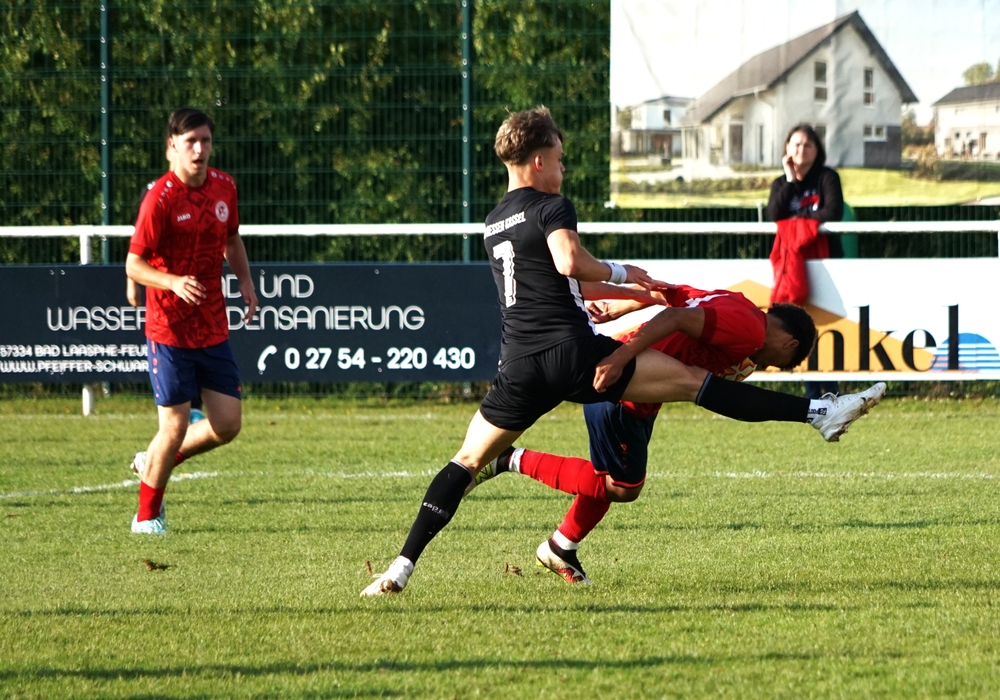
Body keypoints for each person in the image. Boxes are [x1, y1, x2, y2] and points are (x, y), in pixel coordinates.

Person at [361, 107, 884, 596]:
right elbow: (570, 263)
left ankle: (400, 567)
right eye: (560, 159)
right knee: (695, 387)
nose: (563, 170)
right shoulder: (551, 205)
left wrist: (626, 295)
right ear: (538, 161)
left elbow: (560, 282)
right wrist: (621, 272)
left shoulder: (494, 221)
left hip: (518, 362)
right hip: (573, 354)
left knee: (465, 460)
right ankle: (817, 412)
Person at [467, 285, 819, 584]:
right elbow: (675, 315)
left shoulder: (735, 301)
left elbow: (668, 292)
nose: (764, 364)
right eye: (775, 362)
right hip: (628, 387)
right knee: (622, 486)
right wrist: (621, 358)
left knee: (613, 475)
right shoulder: (749, 331)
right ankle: (508, 459)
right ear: (789, 343)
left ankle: (563, 545)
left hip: (639, 390)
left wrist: (623, 307)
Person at [126, 107, 258, 535]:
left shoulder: (224, 187)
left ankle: (156, 461)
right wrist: (173, 281)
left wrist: (245, 281)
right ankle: (146, 517)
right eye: (190, 142)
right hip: (169, 328)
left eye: (205, 141)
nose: (199, 149)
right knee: (175, 425)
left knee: (227, 424)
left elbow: (232, 238)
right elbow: (134, 264)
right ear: (172, 147)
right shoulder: (160, 198)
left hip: (211, 325)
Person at [766, 124, 843, 399]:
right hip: (791, 268)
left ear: (817, 149)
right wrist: (790, 179)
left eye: (808, 144)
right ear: (787, 148)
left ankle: (833, 389)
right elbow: (774, 214)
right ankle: (811, 392)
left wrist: (797, 222)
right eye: (796, 144)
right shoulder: (780, 183)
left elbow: (833, 211)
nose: (801, 150)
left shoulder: (827, 177)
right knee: (800, 325)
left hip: (825, 261)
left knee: (827, 323)